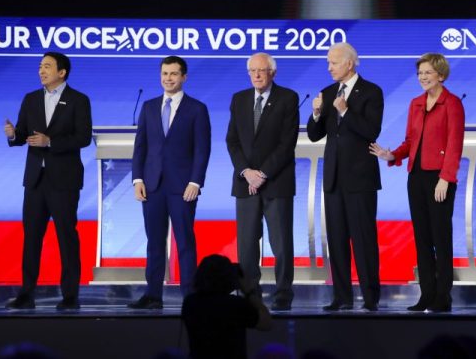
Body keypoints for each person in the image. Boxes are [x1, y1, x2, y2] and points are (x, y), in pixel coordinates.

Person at [369, 53, 464, 312]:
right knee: (422, 238)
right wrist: (392, 155)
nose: (422, 77)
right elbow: (411, 141)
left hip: (439, 178)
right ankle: (427, 294)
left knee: (440, 238)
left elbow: (455, 144)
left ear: (441, 75)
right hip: (417, 176)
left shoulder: (452, 103)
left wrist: (446, 178)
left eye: (428, 73)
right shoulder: (416, 104)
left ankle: (443, 295)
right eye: (420, 73)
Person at [3, 52, 93, 311]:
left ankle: (70, 296)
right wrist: (13, 135)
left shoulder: (78, 100)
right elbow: (22, 135)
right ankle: (26, 294)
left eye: (47, 66)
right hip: (35, 180)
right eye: (40, 66)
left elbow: (83, 137)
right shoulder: (31, 99)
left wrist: (50, 142)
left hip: (64, 180)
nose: (41, 71)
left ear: (62, 72)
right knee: (31, 237)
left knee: (66, 236)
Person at [129, 55, 212, 309]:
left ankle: (191, 297)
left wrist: (195, 182)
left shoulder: (197, 108)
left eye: (174, 74)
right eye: (165, 73)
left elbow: (202, 149)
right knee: (154, 242)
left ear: (184, 77)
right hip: (152, 185)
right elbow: (140, 146)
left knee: (185, 242)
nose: (168, 78)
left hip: (182, 187)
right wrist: (137, 179)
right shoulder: (149, 106)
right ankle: (153, 295)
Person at [307, 42, 383, 311]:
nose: (329, 67)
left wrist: (345, 111)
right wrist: (316, 113)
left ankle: (371, 297)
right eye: (328, 62)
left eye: (334, 62)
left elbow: (370, 130)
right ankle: (341, 296)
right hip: (333, 179)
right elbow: (316, 135)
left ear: (349, 63)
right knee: (336, 239)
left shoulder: (371, 92)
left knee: (363, 239)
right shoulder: (328, 93)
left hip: (360, 179)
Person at [226, 53, 299, 311]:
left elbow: (286, 143)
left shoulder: (288, 98)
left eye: (262, 70)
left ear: (273, 73)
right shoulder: (239, 99)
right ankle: (250, 293)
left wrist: (262, 174)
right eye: (252, 71)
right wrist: (246, 171)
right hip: (245, 183)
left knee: (280, 243)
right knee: (246, 245)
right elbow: (232, 141)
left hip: (276, 182)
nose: (257, 75)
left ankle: (283, 294)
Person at [182, 254, 272, 359]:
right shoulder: (235, 305)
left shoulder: (190, 302)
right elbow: (266, 323)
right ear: (229, 278)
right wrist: (248, 292)